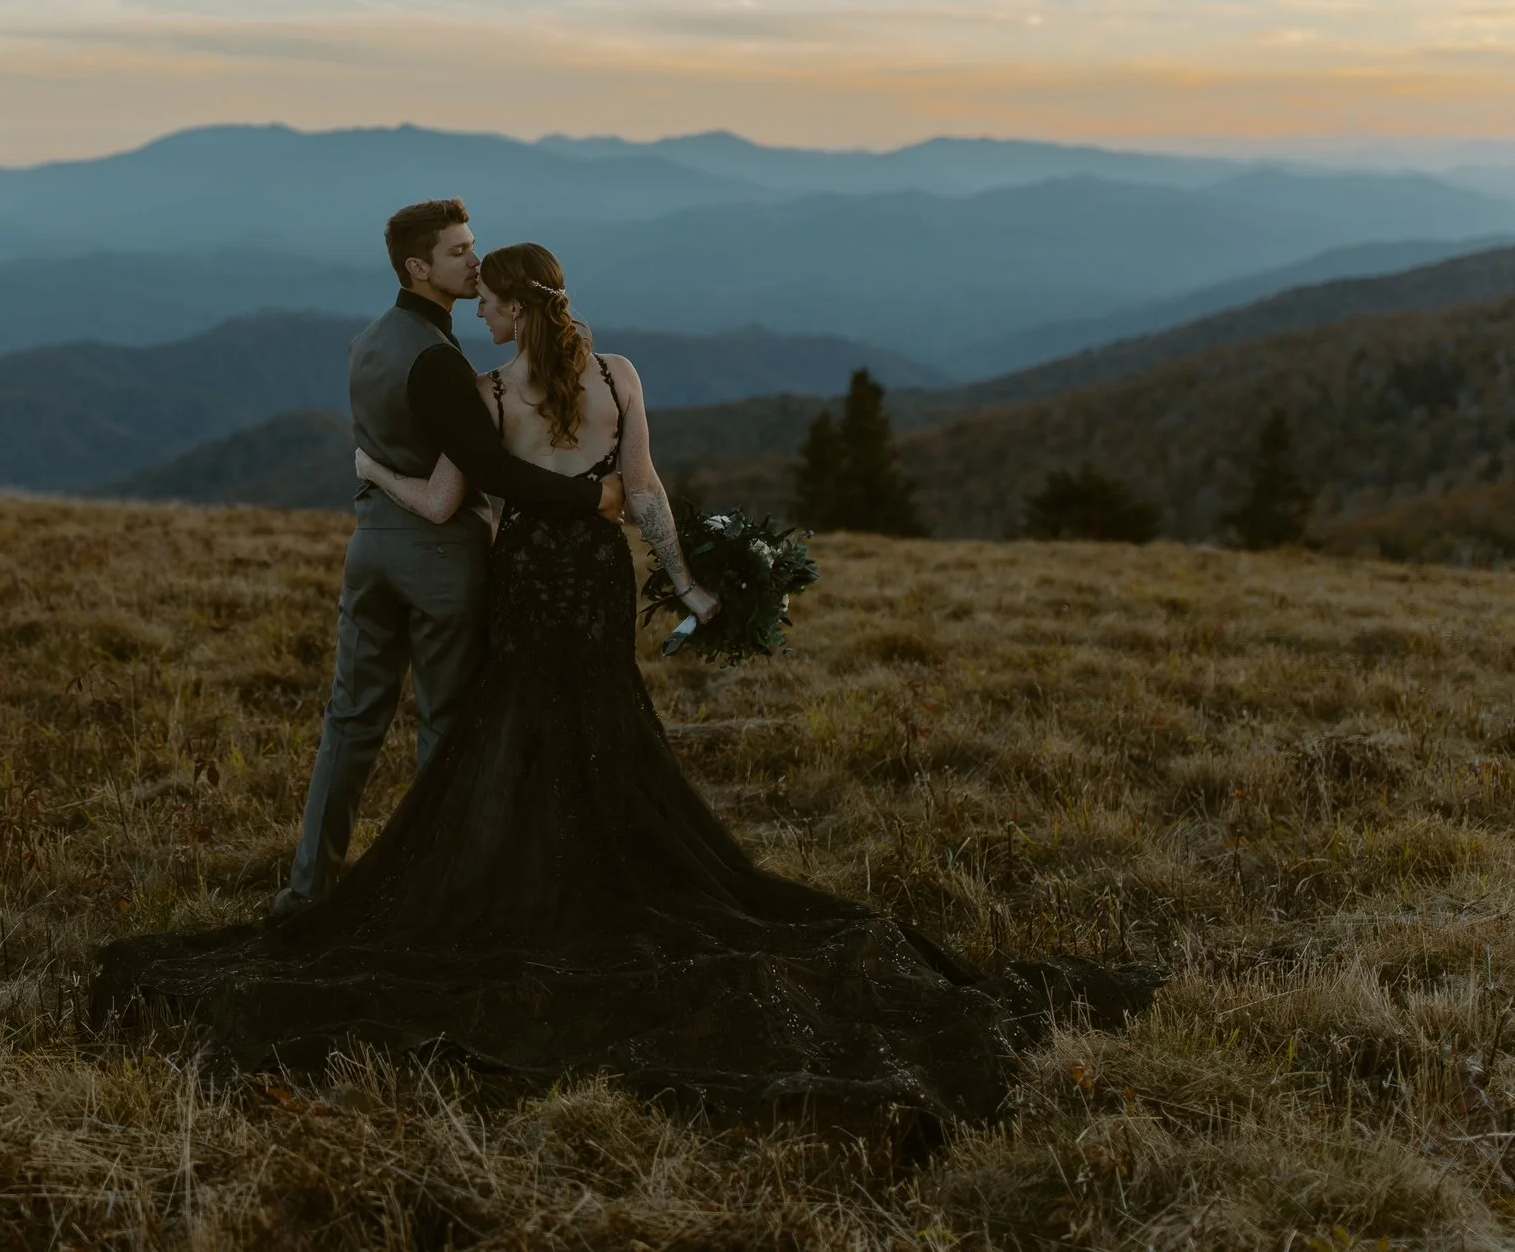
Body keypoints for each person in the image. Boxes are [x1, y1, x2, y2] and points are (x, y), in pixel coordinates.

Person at [93, 243, 1154, 1133]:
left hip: (527, 580)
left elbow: (441, 501)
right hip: (595, 585)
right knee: (604, 727)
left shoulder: (490, 390)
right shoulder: (621, 376)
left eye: (490, 302)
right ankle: (598, 869)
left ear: (511, 309)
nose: (483, 312)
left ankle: (532, 880)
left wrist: (370, 472)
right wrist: (688, 583)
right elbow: (641, 491)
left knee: (516, 734)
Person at [274, 201, 624, 917]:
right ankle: (440, 895)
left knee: (350, 722)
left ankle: (306, 888)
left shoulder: (367, 341)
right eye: (459, 251)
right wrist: (590, 497)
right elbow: (491, 471)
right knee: (443, 725)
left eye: (473, 246)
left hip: (370, 549)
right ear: (418, 267)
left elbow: (383, 448)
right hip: (438, 563)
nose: (474, 261)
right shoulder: (438, 361)